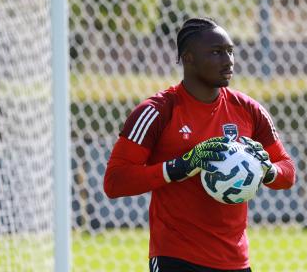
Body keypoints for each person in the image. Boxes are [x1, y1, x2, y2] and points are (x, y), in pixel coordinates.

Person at [104, 17, 296, 272]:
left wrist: (268, 170)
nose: (228, 60)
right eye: (216, 52)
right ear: (189, 58)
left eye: (230, 51)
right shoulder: (157, 111)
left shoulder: (250, 110)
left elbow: (288, 171)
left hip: (236, 261)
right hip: (176, 257)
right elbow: (115, 181)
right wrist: (181, 166)